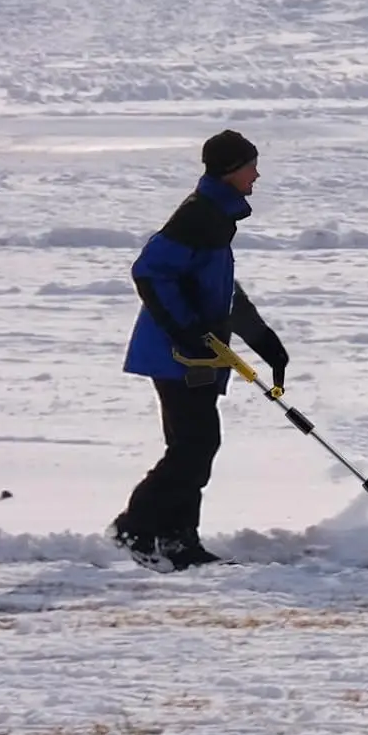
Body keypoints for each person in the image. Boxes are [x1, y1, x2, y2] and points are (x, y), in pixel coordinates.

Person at [110, 130, 289, 571]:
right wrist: (187, 332)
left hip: (196, 355)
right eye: (250, 166)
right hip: (178, 356)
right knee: (193, 445)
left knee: (196, 446)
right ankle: (135, 527)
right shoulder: (198, 216)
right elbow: (149, 272)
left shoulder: (216, 216)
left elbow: (220, 293)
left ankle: (177, 539)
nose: (257, 174)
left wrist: (265, 342)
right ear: (230, 171)